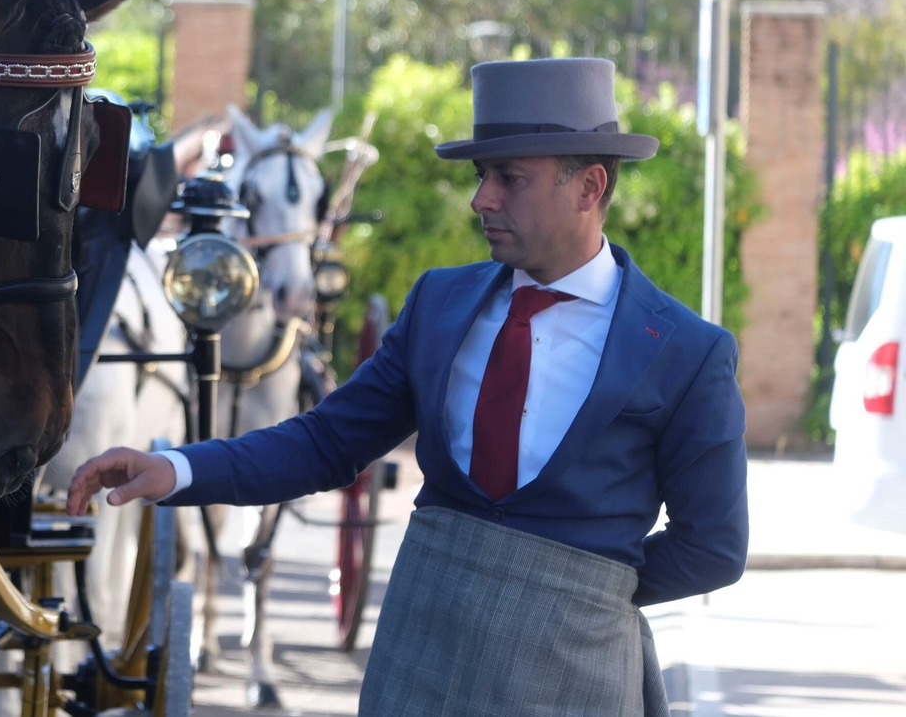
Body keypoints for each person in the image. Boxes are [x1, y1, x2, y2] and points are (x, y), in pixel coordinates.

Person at [69, 57, 749, 716]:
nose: (482, 198)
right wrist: (179, 468)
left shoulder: (687, 354)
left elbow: (711, 547)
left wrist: (580, 591)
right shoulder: (438, 306)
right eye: (483, 176)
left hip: (573, 672)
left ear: (590, 187)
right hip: (418, 663)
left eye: (509, 178)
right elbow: (327, 442)